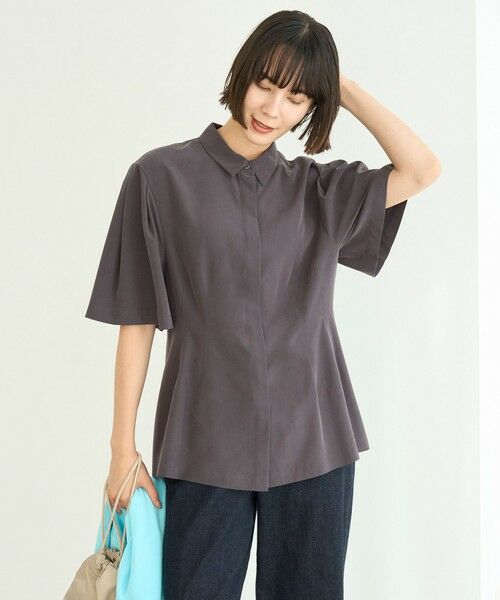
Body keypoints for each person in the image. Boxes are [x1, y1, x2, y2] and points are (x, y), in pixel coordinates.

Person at [84, 9, 440, 599]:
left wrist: (339, 85)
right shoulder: (159, 177)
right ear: (242, 73)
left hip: (315, 443)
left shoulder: (317, 190)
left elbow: (422, 169)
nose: (273, 110)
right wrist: (123, 449)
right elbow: (138, 319)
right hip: (203, 443)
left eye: (297, 99)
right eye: (266, 84)